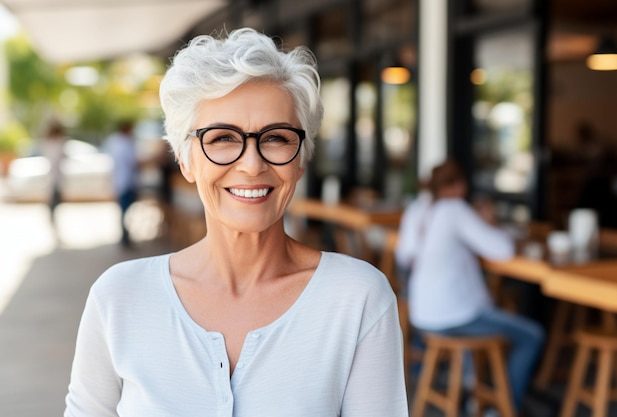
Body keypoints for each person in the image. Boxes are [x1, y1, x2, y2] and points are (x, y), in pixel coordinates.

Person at [65, 28, 408, 416]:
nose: (251, 164)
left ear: (301, 159)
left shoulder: (357, 299)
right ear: (185, 160)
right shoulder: (118, 299)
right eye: (223, 138)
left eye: (277, 138)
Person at [395, 159, 544, 414]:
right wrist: (489, 222)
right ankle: (501, 409)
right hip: (454, 317)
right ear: (458, 186)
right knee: (532, 335)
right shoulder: (455, 210)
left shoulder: (417, 210)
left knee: (482, 316)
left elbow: (404, 255)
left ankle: (471, 387)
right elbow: (504, 250)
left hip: (422, 315)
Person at [103, 120, 139, 247]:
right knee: (126, 211)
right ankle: (125, 237)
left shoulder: (114, 141)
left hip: (120, 181)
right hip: (126, 182)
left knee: (124, 211)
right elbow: (132, 162)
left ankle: (124, 236)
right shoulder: (125, 143)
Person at [40, 121, 67, 227]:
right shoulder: (56, 144)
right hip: (53, 175)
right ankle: (51, 215)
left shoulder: (48, 143)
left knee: (55, 197)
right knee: (54, 197)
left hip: (53, 175)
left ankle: (52, 215)